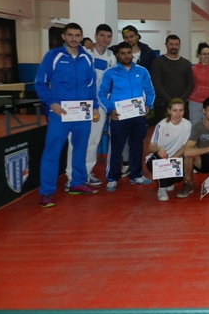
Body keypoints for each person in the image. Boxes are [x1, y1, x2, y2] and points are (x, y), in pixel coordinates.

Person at [35, 22, 99, 207]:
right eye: (70, 35)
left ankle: (77, 183)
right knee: (52, 151)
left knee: (80, 149)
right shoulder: (53, 56)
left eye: (77, 35)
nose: (74, 38)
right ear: (64, 36)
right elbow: (40, 82)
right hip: (60, 112)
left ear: (81, 37)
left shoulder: (87, 58)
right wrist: (51, 103)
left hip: (82, 112)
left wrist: (94, 106)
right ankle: (47, 191)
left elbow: (91, 85)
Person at [98, 41, 156, 192]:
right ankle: (112, 178)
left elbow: (150, 91)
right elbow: (101, 93)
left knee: (137, 146)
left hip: (138, 116)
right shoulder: (110, 73)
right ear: (117, 55)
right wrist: (110, 109)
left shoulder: (142, 71)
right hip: (118, 116)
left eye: (129, 53)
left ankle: (136, 175)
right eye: (123, 53)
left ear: (132, 54)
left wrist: (148, 105)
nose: (126, 56)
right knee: (116, 148)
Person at [65, 23, 116, 189]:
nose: (105, 39)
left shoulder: (111, 57)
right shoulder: (84, 52)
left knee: (94, 140)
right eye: (102, 35)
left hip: (99, 103)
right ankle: (71, 175)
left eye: (108, 36)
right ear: (95, 36)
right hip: (79, 102)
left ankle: (86, 172)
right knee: (75, 140)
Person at [145, 98, 192, 201]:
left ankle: (169, 181)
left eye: (181, 110)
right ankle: (162, 188)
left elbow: (185, 146)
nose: (178, 114)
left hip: (175, 158)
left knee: (179, 176)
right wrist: (160, 149)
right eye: (175, 110)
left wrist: (173, 159)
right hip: (157, 158)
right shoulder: (161, 125)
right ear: (169, 111)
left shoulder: (187, 124)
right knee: (159, 157)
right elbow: (150, 147)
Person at [150, 34, 194, 123]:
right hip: (163, 105)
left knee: (183, 129)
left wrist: (180, 101)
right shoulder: (158, 62)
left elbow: (191, 83)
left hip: (181, 105)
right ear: (166, 45)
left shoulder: (186, 63)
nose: (174, 47)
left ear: (179, 45)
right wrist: (171, 101)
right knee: (163, 130)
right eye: (171, 44)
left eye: (176, 44)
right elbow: (156, 83)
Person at [188, 42, 209, 125]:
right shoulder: (193, 69)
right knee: (195, 127)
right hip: (195, 102)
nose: (207, 56)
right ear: (199, 55)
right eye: (204, 54)